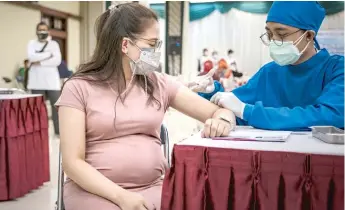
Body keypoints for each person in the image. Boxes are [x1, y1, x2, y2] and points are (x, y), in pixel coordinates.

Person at [56, 3, 235, 210]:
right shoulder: (78, 88)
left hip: (153, 187)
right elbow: (72, 162)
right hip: (94, 191)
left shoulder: (157, 83)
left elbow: (218, 110)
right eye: (152, 44)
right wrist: (122, 197)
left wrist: (223, 120)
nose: (157, 51)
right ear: (125, 45)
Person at [210, 1, 344, 131]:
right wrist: (211, 91)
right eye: (269, 34)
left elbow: (330, 116)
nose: (274, 41)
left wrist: (248, 112)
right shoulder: (269, 73)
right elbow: (231, 103)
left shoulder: (336, 69)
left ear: (308, 36)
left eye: (281, 34)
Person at [27, 21, 62, 136]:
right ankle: (38, 133)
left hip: (52, 82)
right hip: (36, 81)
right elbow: (31, 57)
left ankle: (58, 132)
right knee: (36, 110)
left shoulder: (54, 44)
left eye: (44, 29)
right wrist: (48, 55)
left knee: (56, 108)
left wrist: (39, 61)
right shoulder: (31, 43)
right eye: (40, 29)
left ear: (48, 31)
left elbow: (57, 61)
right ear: (36, 31)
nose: (42, 32)